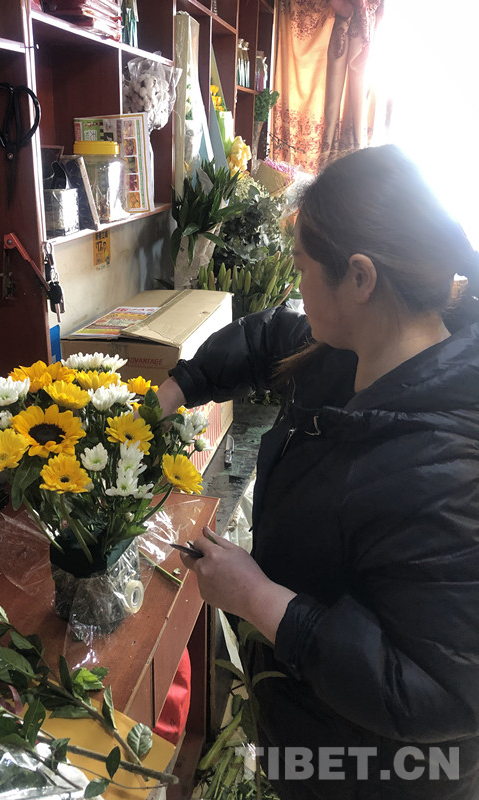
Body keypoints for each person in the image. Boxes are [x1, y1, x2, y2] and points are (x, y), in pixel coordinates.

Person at [155, 144, 479, 799]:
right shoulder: (363, 346)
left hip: (377, 774)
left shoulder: (442, 467)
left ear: (360, 278)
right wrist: (170, 392)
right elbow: (271, 338)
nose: (297, 285)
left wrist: (260, 600)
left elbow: (443, 692)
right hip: (310, 725)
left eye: (303, 268)